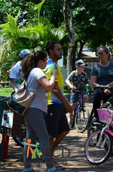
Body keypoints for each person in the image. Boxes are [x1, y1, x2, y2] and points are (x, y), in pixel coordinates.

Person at [21, 51, 64, 172]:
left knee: (30, 139)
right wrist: (54, 75)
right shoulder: (38, 71)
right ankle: (50, 167)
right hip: (34, 109)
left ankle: (27, 167)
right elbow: (49, 87)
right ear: (41, 61)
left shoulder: (32, 72)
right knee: (44, 137)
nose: (46, 63)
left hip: (31, 109)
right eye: (45, 60)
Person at [44, 41, 73, 170]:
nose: (61, 51)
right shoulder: (51, 67)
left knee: (64, 130)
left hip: (57, 104)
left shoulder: (55, 66)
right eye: (58, 49)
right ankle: (50, 162)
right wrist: (66, 104)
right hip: (51, 104)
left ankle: (48, 155)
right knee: (51, 135)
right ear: (51, 51)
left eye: (61, 49)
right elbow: (54, 89)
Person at [90, 46, 113, 121]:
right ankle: (96, 117)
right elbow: (93, 82)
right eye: (98, 54)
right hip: (100, 89)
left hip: (112, 89)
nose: (99, 55)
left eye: (101, 53)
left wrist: (108, 86)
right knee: (97, 94)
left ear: (107, 54)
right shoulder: (96, 67)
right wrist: (102, 87)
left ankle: (112, 121)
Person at [65, 59, 93, 127]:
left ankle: (81, 107)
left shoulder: (84, 74)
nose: (83, 68)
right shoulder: (73, 73)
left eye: (84, 67)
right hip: (75, 90)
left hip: (82, 89)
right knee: (72, 105)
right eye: (82, 67)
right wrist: (71, 86)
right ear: (77, 67)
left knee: (86, 97)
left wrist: (92, 88)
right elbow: (67, 80)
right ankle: (69, 119)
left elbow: (89, 82)